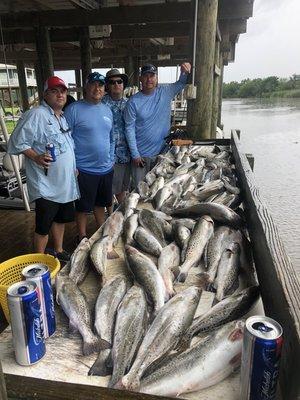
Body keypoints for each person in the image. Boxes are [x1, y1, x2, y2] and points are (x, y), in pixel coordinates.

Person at [7, 76, 79, 261]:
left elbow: (66, 147)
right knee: (43, 225)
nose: (60, 95)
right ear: (45, 94)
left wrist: (73, 167)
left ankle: (59, 250)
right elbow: (16, 142)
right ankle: (38, 260)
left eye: (62, 91)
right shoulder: (36, 114)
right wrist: (36, 157)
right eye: (54, 91)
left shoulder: (61, 118)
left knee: (60, 219)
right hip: (46, 185)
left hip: (64, 183)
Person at [64, 72, 114, 242]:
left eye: (100, 85)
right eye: (93, 84)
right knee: (83, 207)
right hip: (84, 168)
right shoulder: (73, 110)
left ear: (104, 88)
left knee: (101, 203)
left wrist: (111, 157)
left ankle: (102, 232)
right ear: (86, 87)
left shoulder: (107, 109)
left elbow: (112, 137)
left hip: (106, 167)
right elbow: (65, 140)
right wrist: (72, 165)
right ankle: (82, 236)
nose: (97, 88)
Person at [124, 62, 191, 188]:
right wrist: (135, 154)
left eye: (152, 75)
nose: (149, 79)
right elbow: (129, 129)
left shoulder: (166, 92)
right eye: (145, 76)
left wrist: (185, 71)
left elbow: (181, 83)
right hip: (141, 157)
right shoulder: (133, 102)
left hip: (163, 153)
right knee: (139, 190)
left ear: (157, 78)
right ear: (140, 79)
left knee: (160, 188)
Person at [102, 68, 130, 207]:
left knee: (123, 188)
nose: (116, 84)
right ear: (107, 85)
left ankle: (120, 215)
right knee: (108, 190)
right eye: (112, 82)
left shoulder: (129, 103)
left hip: (126, 154)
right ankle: (110, 217)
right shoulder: (101, 104)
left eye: (119, 81)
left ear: (123, 84)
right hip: (108, 155)